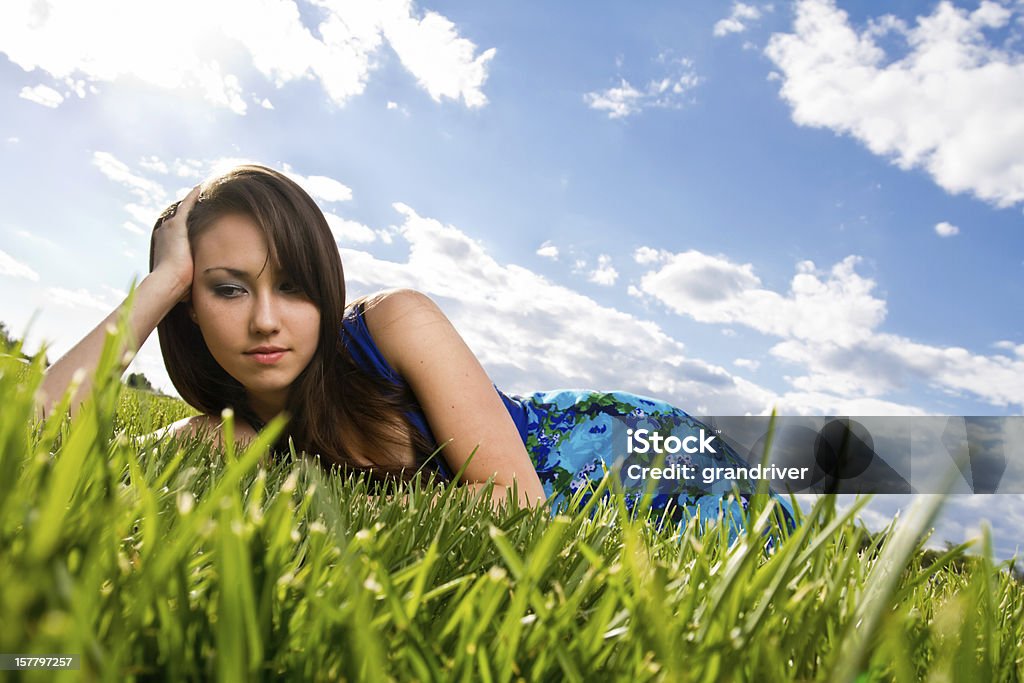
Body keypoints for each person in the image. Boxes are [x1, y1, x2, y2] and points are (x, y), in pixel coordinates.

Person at [38, 165, 795, 532]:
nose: (268, 320)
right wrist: (160, 282)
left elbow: (517, 503)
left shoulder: (393, 323)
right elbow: (45, 429)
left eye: (294, 287)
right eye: (229, 289)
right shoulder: (222, 435)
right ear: (190, 307)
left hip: (617, 453)